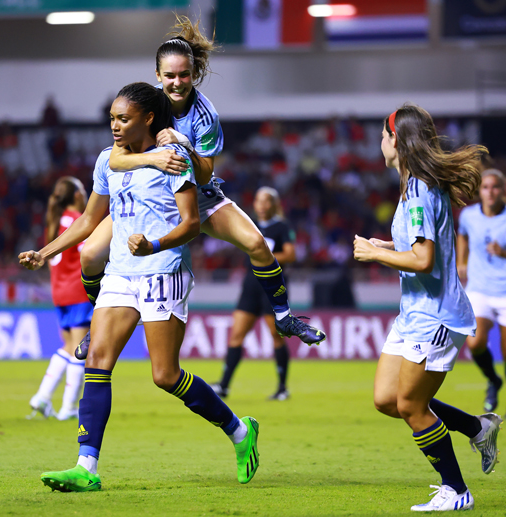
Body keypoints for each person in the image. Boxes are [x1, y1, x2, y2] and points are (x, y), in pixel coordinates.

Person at [18, 82, 260, 492]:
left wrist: (154, 245)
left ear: (148, 118)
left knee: (165, 375)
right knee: (97, 360)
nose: (114, 125)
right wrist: (45, 252)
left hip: (164, 270)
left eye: (123, 118)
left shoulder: (174, 159)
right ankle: (86, 466)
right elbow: (88, 220)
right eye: (112, 118)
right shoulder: (106, 161)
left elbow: (192, 224)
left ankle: (239, 430)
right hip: (120, 273)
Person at [74, 16, 324, 361]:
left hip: (199, 198)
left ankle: (283, 318)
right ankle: (98, 322)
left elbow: (205, 175)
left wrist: (184, 144)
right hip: (149, 200)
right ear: (158, 74)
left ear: (195, 74)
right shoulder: (145, 105)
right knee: (89, 255)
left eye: (184, 75)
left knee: (256, 243)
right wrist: (155, 159)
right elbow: (116, 159)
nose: (177, 83)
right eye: (170, 76)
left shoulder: (206, 116)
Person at [354, 104, 502, 512]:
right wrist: (388, 245)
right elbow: (419, 246)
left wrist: (375, 254)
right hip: (414, 313)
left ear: (397, 140)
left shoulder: (418, 190)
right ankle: (477, 427)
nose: (380, 141)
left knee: (410, 406)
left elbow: (423, 260)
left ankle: (456, 490)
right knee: (387, 399)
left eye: (384, 135)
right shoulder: (414, 187)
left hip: (436, 315)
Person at [457, 169, 506, 419]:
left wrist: (505, 253)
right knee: (474, 342)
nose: (490, 192)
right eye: (485, 187)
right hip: (479, 288)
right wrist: (461, 261)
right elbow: (462, 235)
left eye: (495, 187)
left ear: (503, 190)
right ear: (479, 191)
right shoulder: (469, 215)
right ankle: (493, 379)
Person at [212, 187, 296, 401]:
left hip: (272, 285)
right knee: (236, 335)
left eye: (266, 201)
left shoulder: (282, 227)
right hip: (251, 284)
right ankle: (223, 385)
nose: (261, 205)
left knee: (275, 335)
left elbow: (290, 255)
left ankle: (282, 388)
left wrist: (262, 255)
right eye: (258, 200)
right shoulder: (250, 224)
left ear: (274, 205)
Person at [27, 177, 92, 421]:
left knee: (68, 346)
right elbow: (88, 254)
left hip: (60, 293)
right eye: (84, 191)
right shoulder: (78, 222)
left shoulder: (55, 222)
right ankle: (69, 407)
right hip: (78, 292)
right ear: (77, 195)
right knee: (79, 350)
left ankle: (42, 398)